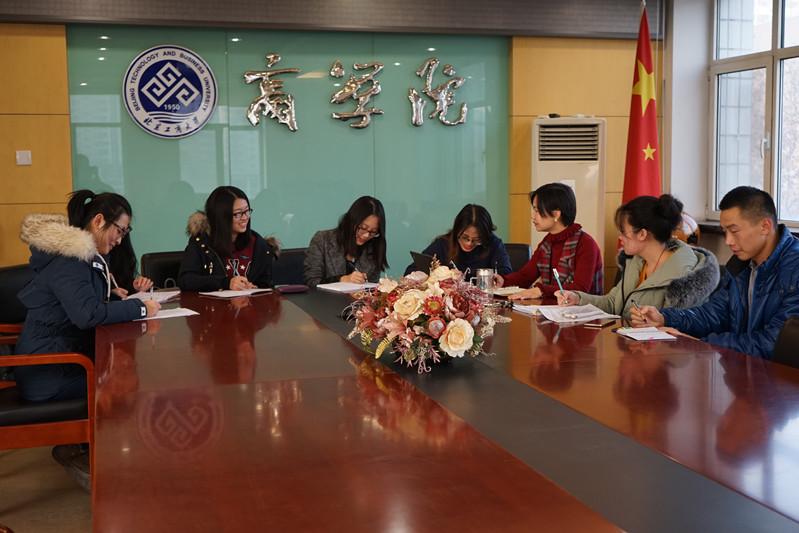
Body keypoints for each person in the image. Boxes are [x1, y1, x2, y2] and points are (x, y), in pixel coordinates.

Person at [15, 190, 161, 403]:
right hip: (49, 372)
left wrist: (112, 296)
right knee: (129, 384)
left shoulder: (83, 257)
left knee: (133, 376)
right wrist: (141, 308)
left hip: (65, 360)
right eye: (119, 231)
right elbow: (88, 315)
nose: (120, 240)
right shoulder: (70, 260)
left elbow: (79, 302)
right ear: (99, 221)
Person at [631, 186, 799, 359]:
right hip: (742, 368)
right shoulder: (741, 266)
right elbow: (711, 315)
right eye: (725, 232)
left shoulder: (795, 270)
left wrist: (701, 343)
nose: (728, 241)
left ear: (765, 226)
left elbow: (773, 344)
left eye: (734, 231)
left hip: (779, 374)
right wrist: (664, 319)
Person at [557, 194, 719, 321]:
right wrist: (578, 298)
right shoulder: (637, 261)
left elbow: (679, 330)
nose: (620, 237)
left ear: (642, 234)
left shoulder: (684, 275)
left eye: (623, 232)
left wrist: (654, 321)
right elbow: (613, 303)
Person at [495, 182, 603, 300]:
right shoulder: (547, 242)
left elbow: (580, 289)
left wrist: (541, 291)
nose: (532, 216)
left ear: (556, 214)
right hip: (554, 308)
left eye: (537, 210)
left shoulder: (586, 244)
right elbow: (525, 276)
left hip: (583, 310)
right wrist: (503, 281)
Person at [178, 186, 279, 292]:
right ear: (221, 216)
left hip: (248, 302)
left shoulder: (258, 244)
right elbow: (186, 280)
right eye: (238, 213)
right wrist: (225, 283)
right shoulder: (202, 243)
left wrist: (253, 287)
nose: (245, 217)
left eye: (247, 211)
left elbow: (266, 285)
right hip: (212, 303)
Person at [403, 204, 512, 276]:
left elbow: (506, 274)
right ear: (456, 227)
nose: (469, 243)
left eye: (477, 239)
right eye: (465, 237)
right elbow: (411, 272)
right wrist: (442, 274)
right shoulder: (442, 244)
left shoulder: (493, 243)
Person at [303, 196, 388, 288]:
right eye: (363, 228)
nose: (366, 235)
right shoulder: (322, 240)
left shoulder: (374, 247)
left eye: (373, 231)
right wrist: (342, 279)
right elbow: (311, 282)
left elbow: (372, 287)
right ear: (351, 221)